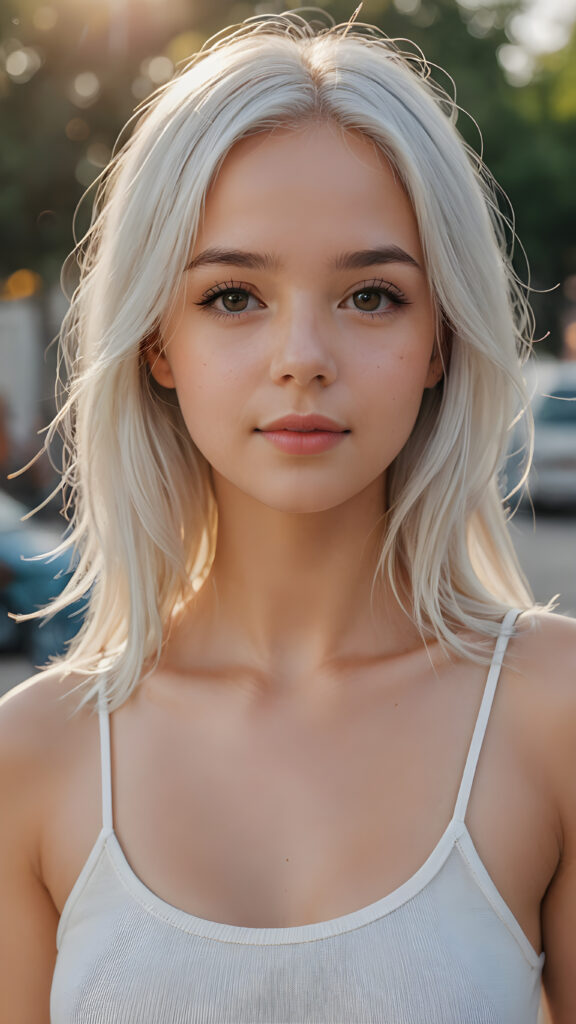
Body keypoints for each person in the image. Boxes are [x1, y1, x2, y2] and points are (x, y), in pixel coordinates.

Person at [1, 11, 575, 1023]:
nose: (303, 354)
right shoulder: (33, 758)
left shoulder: (549, 714)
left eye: (371, 295)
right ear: (157, 344)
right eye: (232, 296)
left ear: (441, 339)